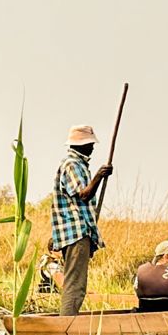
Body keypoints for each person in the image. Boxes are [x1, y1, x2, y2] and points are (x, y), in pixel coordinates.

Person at [49, 125, 112, 316]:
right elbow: (83, 195)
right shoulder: (72, 164)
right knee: (75, 284)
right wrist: (99, 176)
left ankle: (68, 320)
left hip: (77, 231)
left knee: (75, 282)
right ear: (81, 144)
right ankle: (67, 324)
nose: (92, 147)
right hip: (76, 233)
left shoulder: (77, 164)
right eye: (90, 143)